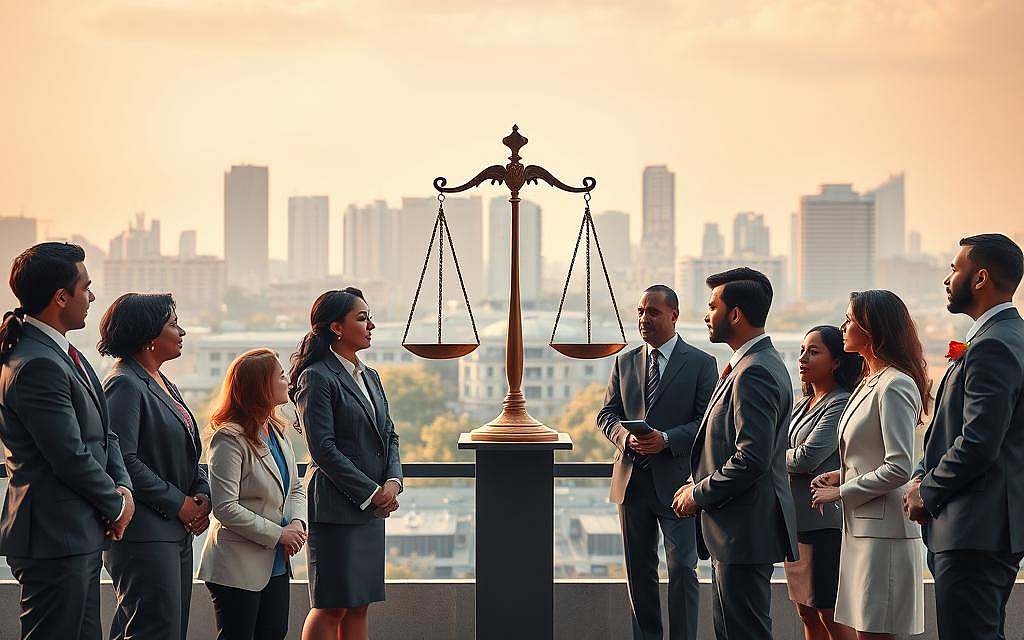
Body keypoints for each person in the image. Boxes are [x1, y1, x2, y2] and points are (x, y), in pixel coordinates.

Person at [0, 242, 134, 639]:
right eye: (86, 288)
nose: (91, 297)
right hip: (54, 536)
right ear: (61, 297)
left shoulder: (63, 353)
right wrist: (116, 505)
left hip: (77, 531)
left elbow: (104, 434)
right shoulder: (37, 363)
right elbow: (69, 456)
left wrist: (123, 489)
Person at [905, 234, 1024, 640]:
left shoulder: (994, 346)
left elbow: (979, 442)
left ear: (980, 278)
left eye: (955, 268)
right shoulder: (1005, 338)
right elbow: (949, 429)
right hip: (982, 527)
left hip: (975, 528)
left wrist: (927, 490)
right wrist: (922, 473)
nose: (947, 278)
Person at [673, 267, 798, 640]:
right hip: (736, 530)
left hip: (742, 531)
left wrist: (698, 493)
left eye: (713, 307)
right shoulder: (751, 364)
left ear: (736, 314)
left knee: (743, 632)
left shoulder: (754, 372)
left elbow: (751, 458)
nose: (706, 315)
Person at [597, 284, 718, 640]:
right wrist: (625, 436)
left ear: (674, 315)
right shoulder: (625, 361)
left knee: (683, 567)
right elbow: (606, 414)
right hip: (632, 484)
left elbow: (707, 422)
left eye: (652, 312)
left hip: (679, 484)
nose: (644, 319)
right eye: (640, 312)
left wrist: (665, 439)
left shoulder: (700, 363)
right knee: (639, 571)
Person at [811, 290, 929, 639]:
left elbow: (899, 467)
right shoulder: (869, 382)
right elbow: (869, 453)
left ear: (872, 329)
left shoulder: (894, 385)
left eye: (850, 320)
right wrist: (841, 472)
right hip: (863, 531)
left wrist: (841, 491)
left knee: (874, 635)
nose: (843, 326)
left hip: (884, 534)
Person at [291, 288, 403, 640]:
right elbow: (322, 449)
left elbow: (390, 435)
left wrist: (393, 483)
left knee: (359, 603)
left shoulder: (370, 376)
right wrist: (371, 493)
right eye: (361, 318)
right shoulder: (317, 377)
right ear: (336, 328)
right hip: (338, 507)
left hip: (371, 509)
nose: (371, 325)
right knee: (331, 605)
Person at [99, 293, 211, 640]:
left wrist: (201, 491)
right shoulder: (124, 384)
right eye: (173, 325)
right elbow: (123, 461)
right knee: (153, 629)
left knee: (165, 629)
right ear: (149, 336)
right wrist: (180, 504)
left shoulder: (163, 382)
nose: (182, 332)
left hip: (173, 532)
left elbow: (188, 449)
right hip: (144, 534)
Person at [198, 348, 308, 640]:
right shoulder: (229, 438)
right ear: (261, 386)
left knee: (274, 633)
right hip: (237, 565)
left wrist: (297, 524)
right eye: (281, 376)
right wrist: (278, 534)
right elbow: (225, 507)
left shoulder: (275, 429)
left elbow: (295, 487)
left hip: (276, 564)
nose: (288, 381)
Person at [785, 326, 860, 640]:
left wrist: (768, 455)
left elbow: (806, 459)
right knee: (806, 611)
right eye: (803, 350)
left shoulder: (839, 402)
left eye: (814, 352)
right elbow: (790, 452)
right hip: (795, 521)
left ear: (837, 362)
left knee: (827, 611)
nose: (803, 358)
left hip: (823, 524)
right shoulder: (803, 403)